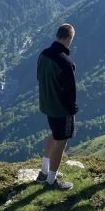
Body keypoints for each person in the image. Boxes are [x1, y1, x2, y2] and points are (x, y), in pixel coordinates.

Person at [36, 23, 78, 190]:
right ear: (69, 38)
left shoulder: (43, 55)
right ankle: (51, 181)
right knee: (61, 141)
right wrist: (72, 110)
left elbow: (39, 78)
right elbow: (70, 92)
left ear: (57, 35)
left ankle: (44, 172)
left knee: (54, 134)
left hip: (47, 104)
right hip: (61, 108)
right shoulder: (65, 62)